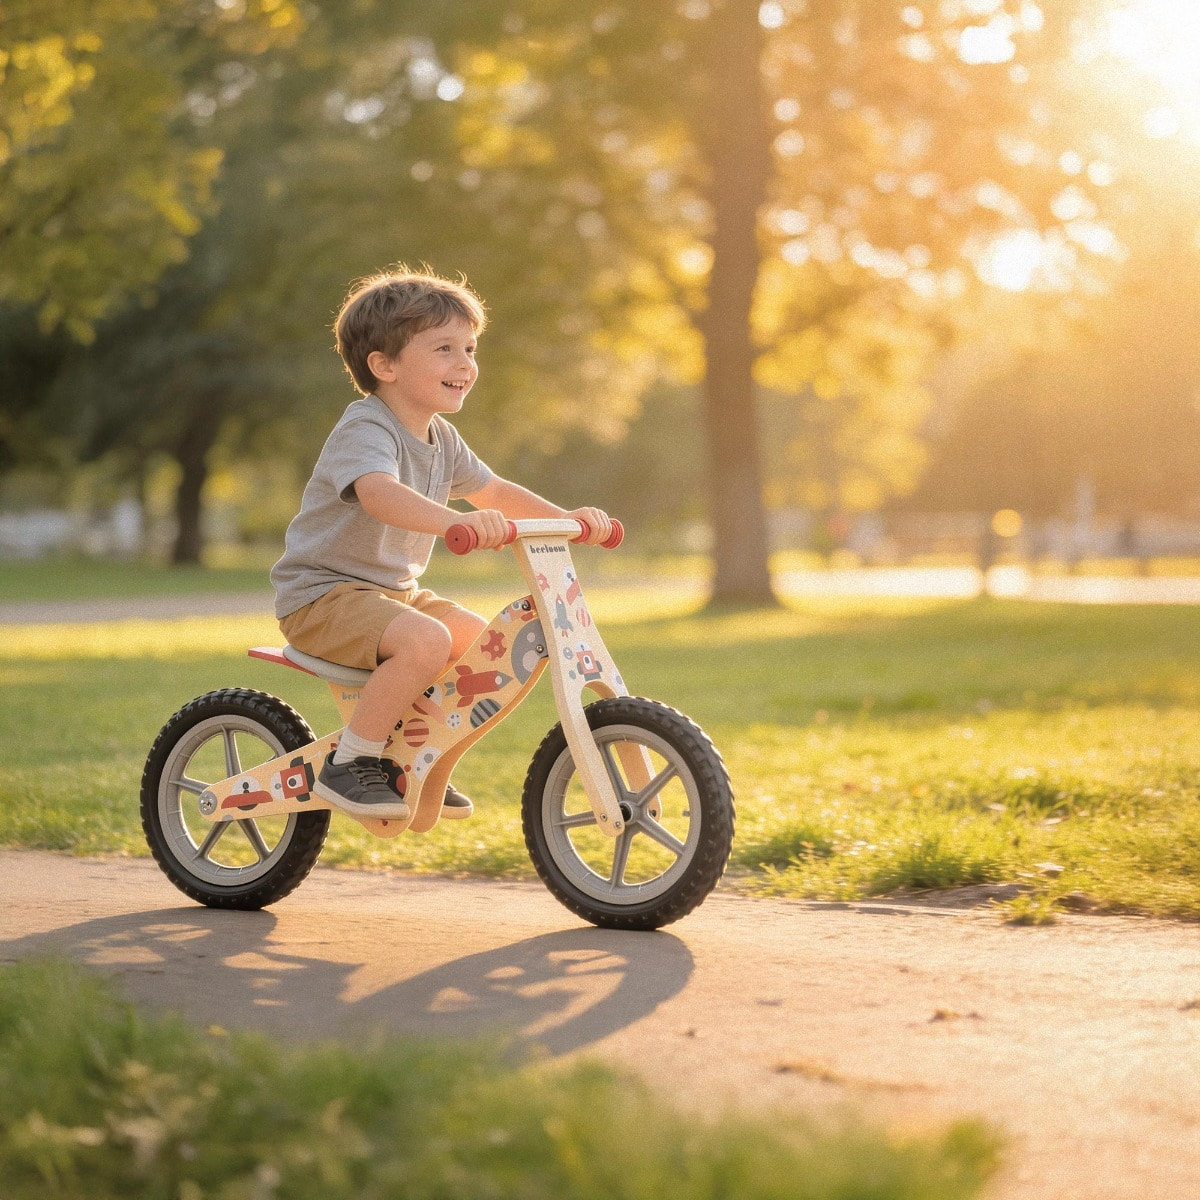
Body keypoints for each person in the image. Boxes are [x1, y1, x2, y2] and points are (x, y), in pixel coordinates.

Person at [270, 268, 612, 821]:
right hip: (322, 597)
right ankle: (351, 762)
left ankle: (419, 760)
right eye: (444, 349)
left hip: (392, 596)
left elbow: (494, 490)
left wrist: (567, 519)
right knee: (428, 641)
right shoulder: (367, 428)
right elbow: (379, 494)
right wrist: (458, 525)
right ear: (384, 366)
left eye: (470, 349)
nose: (465, 364)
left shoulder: (441, 437)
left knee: (489, 651)